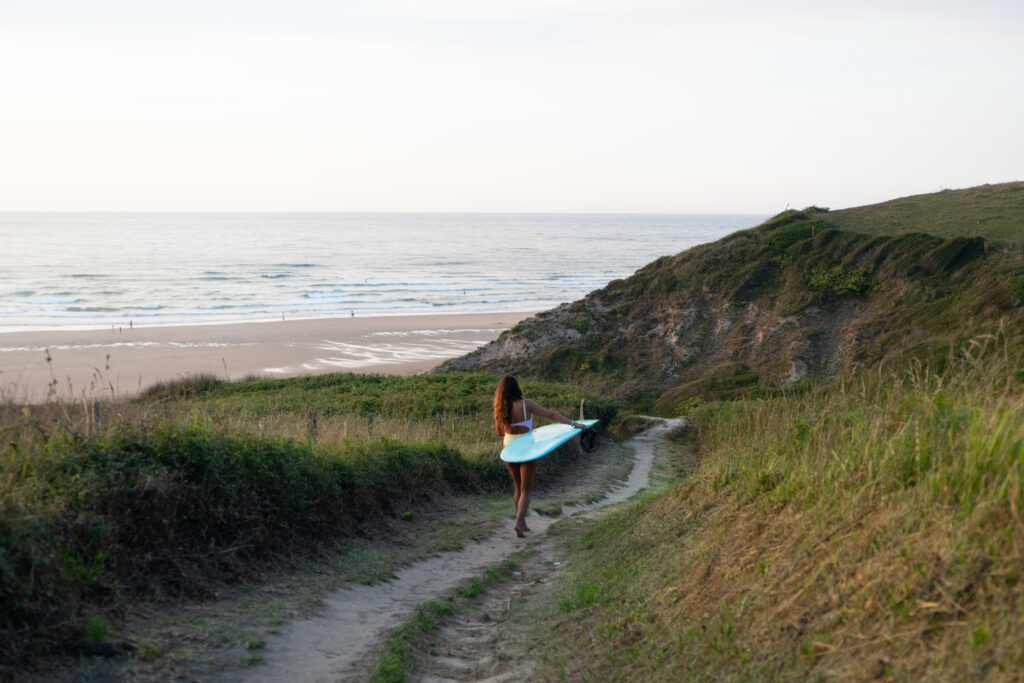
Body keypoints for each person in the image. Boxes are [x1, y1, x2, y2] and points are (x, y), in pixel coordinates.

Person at [493, 375, 586, 538]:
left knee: (517, 486)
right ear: (517, 388)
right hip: (527, 448)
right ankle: (518, 523)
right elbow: (551, 415)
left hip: (509, 447)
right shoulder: (526, 404)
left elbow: (499, 432)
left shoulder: (499, 407)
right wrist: (574, 423)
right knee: (526, 490)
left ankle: (522, 523)